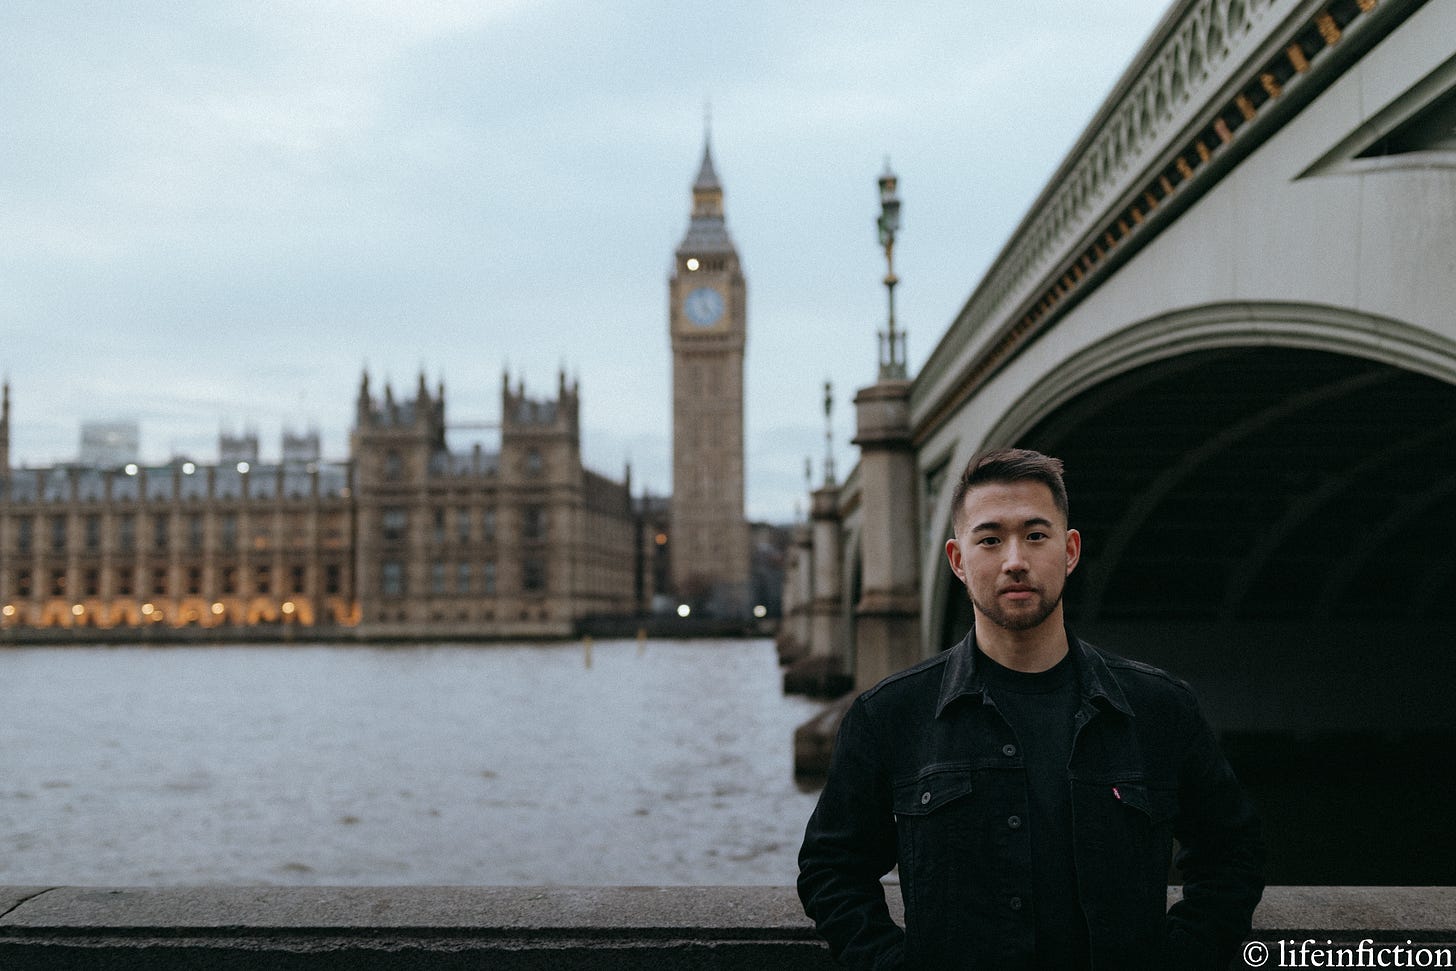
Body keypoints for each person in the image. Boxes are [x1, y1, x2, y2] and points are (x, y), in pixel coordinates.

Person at [798, 447, 1263, 969]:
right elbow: (831, 869)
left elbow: (1232, 854)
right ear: (957, 560)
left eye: (1035, 536)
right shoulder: (890, 716)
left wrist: (1181, 955)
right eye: (990, 539)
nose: (1014, 560)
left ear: (1069, 551)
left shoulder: (1160, 709)